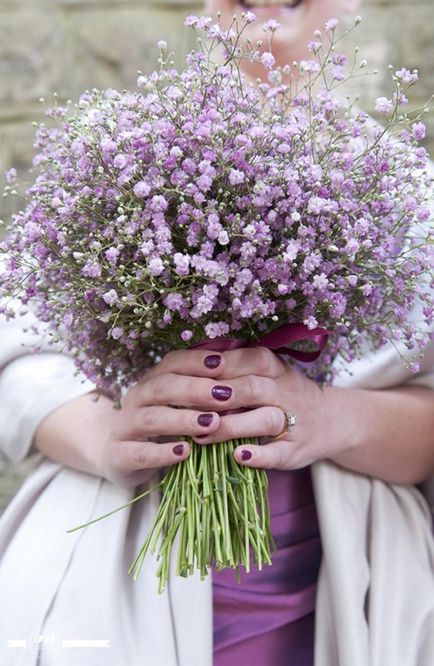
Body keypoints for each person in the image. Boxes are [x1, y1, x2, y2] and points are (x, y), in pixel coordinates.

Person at [0, 1, 433, 664]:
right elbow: (18, 354)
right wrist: (108, 434)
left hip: (350, 584)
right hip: (117, 566)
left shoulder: (408, 195)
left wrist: (330, 416)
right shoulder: (119, 156)